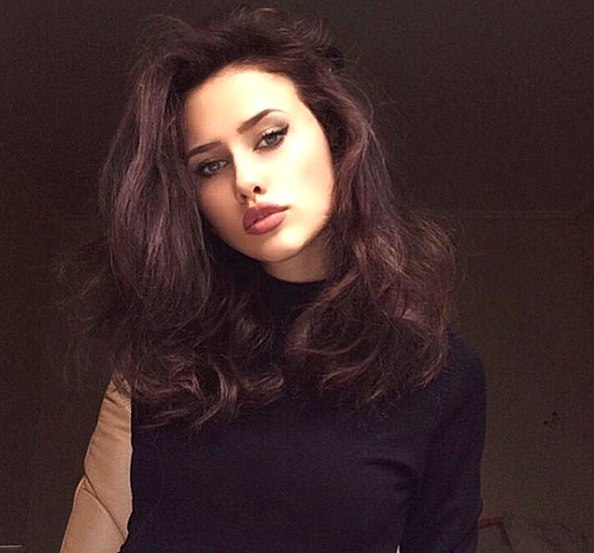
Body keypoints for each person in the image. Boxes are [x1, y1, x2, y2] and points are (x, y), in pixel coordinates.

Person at [60, 5, 486, 553]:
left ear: (334, 133)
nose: (245, 181)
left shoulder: (439, 375)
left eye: (269, 137)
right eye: (209, 166)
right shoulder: (171, 358)